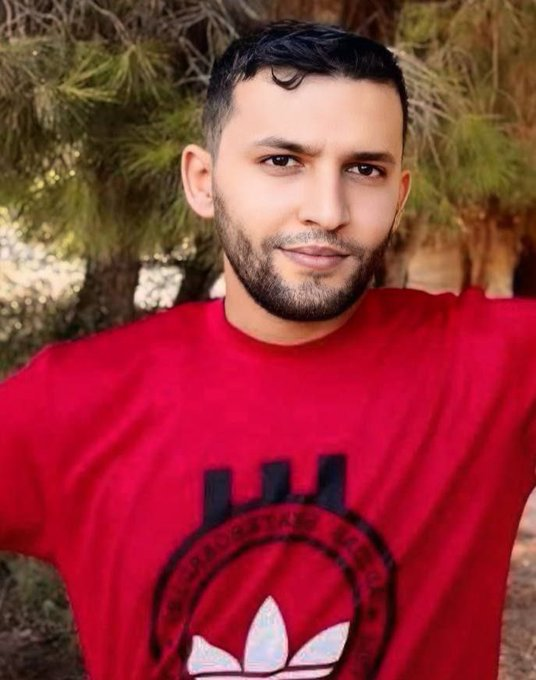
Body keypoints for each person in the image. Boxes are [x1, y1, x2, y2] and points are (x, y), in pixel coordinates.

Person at [0, 20, 535, 680]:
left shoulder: (494, 369)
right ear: (203, 181)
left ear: (398, 196)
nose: (328, 210)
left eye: (364, 169)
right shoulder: (71, 402)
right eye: (283, 162)